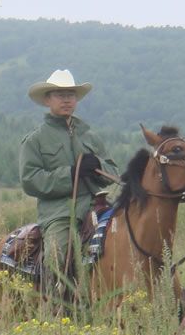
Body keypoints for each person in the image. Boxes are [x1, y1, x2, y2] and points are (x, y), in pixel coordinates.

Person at [19, 69, 116, 295]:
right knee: (56, 254)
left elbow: (114, 171)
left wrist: (98, 167)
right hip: (59, 211)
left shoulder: (91, 137)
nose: (66, 99)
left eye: (71, 94)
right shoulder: (35, 140)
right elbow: (30, 180)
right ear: (47, 99)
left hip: (97, 205)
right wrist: (70, 174)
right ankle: (54, 304)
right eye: (59, 94)